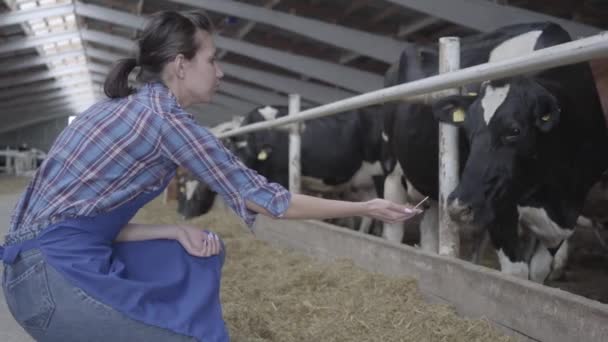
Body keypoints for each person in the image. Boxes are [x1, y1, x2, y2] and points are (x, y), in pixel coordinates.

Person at [0, 10, 421, 342]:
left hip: (27, 275)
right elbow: (267, 198)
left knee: (194, 250)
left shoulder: (115, 107)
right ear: (181, 66)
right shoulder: (167, 121)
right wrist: (365, 205)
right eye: (212, 60)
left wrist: (169, 229)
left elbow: (75, 221)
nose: (219, 73)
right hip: (52, 280)